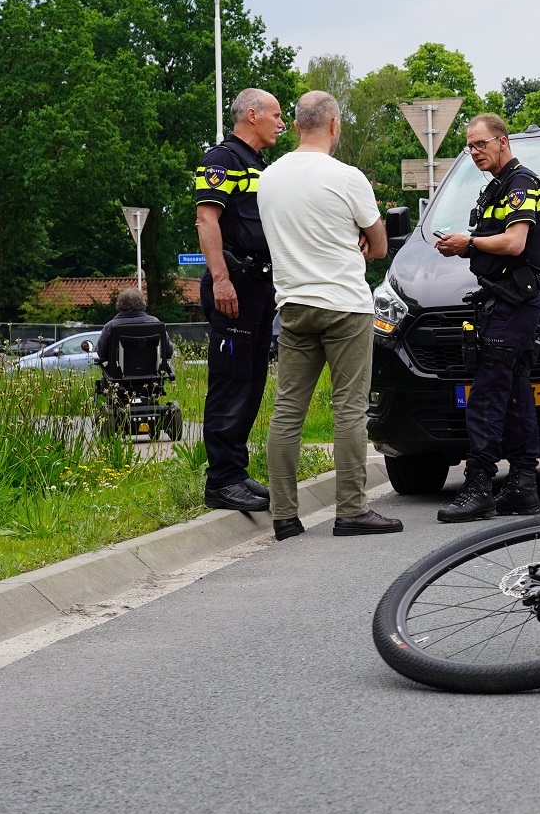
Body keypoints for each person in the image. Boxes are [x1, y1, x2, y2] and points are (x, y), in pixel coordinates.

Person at [256, 90, 404, 540]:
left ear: (297, 125)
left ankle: (283, 515)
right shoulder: (347, 177)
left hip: (294, 304)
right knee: (349, 409)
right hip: (344, 305)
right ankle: (352, 510)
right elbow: (378, 246)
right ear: (335, 125)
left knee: (287, 410)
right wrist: (357, 239)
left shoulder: (270, 179)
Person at [432, 113, 540, 523]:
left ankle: (480, 485)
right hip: (502, 299)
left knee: (486, 393)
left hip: (515, 301)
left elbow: (516, 243)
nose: (474, 151)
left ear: (503, 141)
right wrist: (465, 247)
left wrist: (469, 242)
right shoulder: (498, 187)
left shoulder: (523, 184)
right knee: (516, 392)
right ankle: (522, 485)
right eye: (469, 145)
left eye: (481, 144)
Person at [194, 89, 281, 512]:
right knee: (230, 383)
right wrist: (221, 279)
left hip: (260, 286)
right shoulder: (220, 160)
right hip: (234, 286)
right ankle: (221, 481)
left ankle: (236, 472)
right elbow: (206, 220)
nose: (281, 123)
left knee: (251, 382)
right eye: (276, 115)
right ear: (251, 115)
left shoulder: (258, 165)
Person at [94, 287, 173, 366]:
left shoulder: (111, 326)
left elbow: (101, 353)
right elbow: (169, 351)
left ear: (120, 304)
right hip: (151, 373)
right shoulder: (155, 323)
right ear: (142, 303)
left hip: (118, 375)